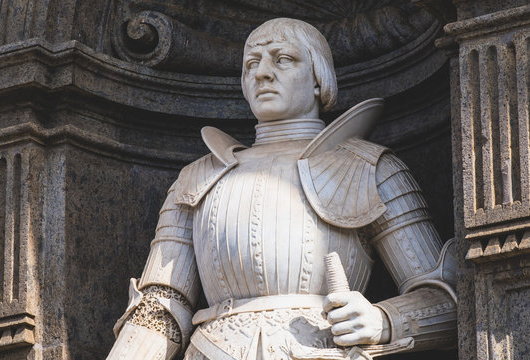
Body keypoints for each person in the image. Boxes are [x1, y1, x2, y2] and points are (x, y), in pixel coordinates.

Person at [106, 18, 457, 360]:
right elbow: (162, 306)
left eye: (283, 58)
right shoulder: (197, 177)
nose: (262, 72)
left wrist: (384, 321)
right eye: (251, 64)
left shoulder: (370, 167)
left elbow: (447, 301)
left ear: (319, 79)